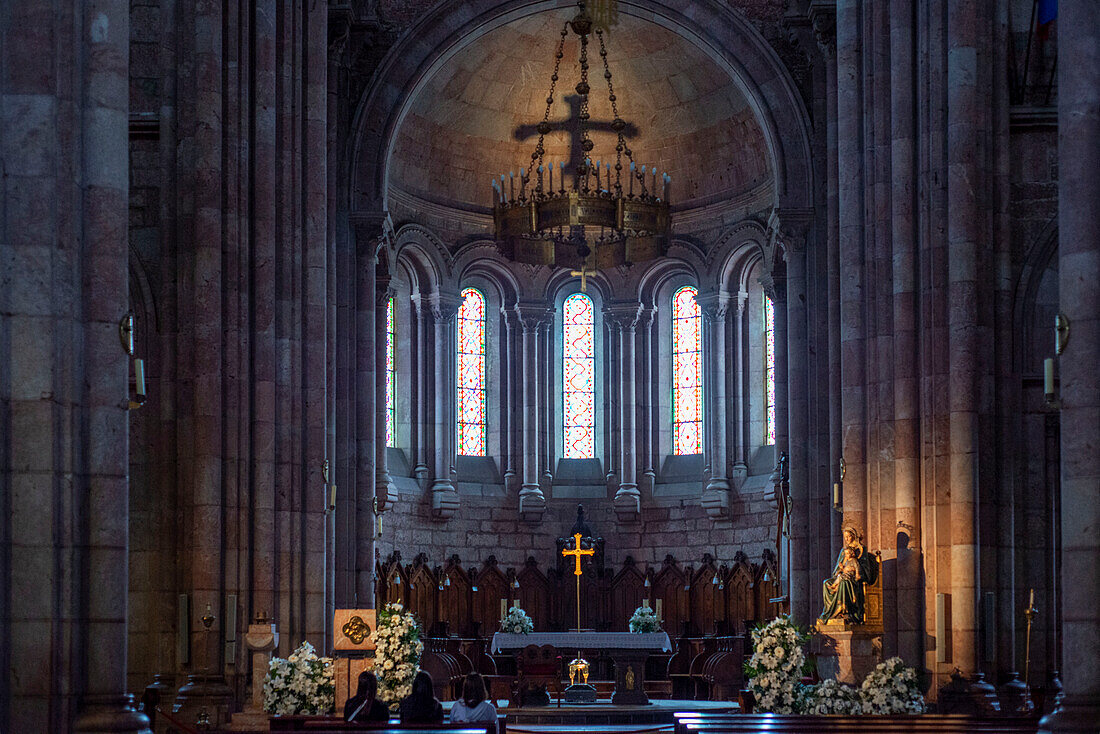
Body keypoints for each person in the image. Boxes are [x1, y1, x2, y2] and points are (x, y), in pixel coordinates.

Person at [819, 527, 878, 624]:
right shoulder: (844, 550)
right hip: (843, 575)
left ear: (854, 536)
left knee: (844, 583)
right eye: (845, 537)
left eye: (848, 536)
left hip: (854, 579)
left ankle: (845, 612)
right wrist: (841, 570)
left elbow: (863, 568)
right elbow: (838, 568)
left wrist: (853, 571)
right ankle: (830, 612)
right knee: (826, 583)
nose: (846, 539)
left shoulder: (861, 549)